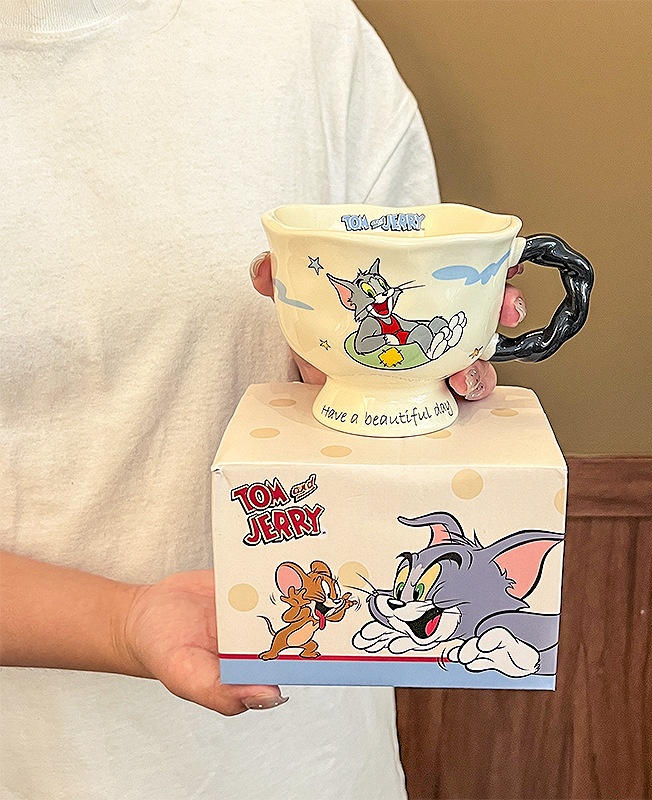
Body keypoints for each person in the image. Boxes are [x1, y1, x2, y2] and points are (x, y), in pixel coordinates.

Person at [0, 0, 526, 797]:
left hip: (309, 755)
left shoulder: (308, 34)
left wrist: (396, 386)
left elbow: (398, 397)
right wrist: (120, 620)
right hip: (32, 754)